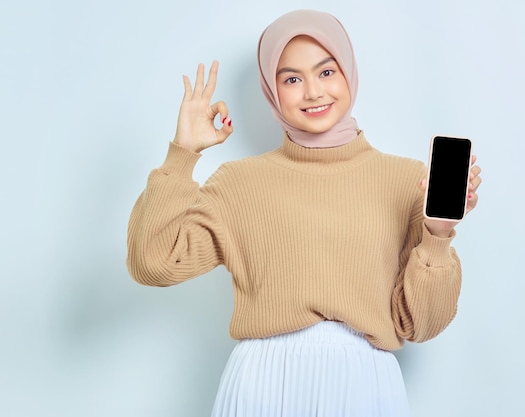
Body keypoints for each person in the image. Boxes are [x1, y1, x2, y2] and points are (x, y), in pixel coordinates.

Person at [127, 9, 482, 417]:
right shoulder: (240, 183)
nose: (313, 92)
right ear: (271, 90)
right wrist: (183, 153)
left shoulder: (406, 181)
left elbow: (422, 324)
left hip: (365, 385)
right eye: (292, 78)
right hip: (263, 384)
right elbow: (151, 263)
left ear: (349, 71)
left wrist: (437, 234)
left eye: (326, 72)